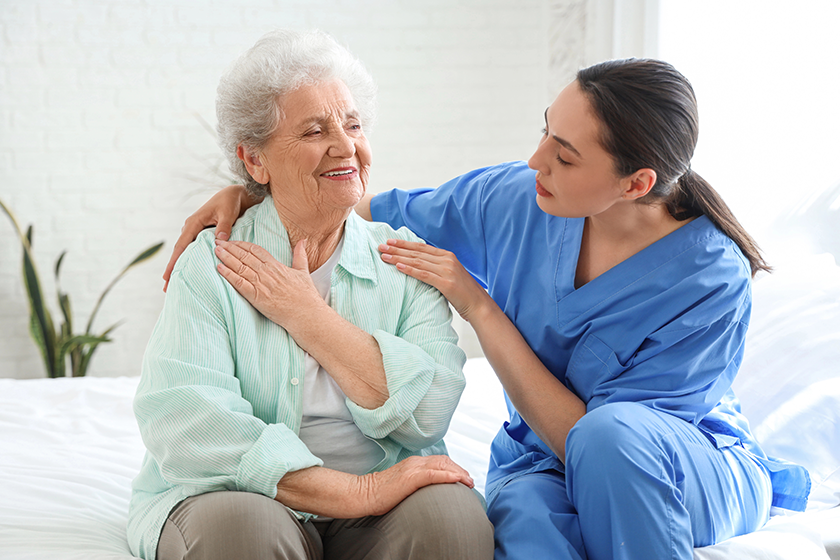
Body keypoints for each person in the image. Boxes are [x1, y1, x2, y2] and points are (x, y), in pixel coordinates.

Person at [165, 58, 811, 559]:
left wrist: (478, 307)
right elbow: (364, 202)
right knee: (520, 517)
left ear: (636, 184)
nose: (536, 161)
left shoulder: (710, 279)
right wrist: (256, 187)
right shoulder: (517, 198)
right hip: (543, 465)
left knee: (610, 439)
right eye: (544, 133)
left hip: (677, 472)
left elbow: (597, 447)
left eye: (564, 154)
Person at [129, 29, 493, 560]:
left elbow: (428, 414)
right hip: (245, 497)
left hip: (385, 502)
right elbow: (190, 423)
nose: (346, 146)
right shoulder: (213, 262)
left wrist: (308, 317)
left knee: (454, 522)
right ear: (255, 162)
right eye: (314, 131)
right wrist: (357, 491)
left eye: (353, 124)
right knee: (242, 535)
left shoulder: (404, 258)